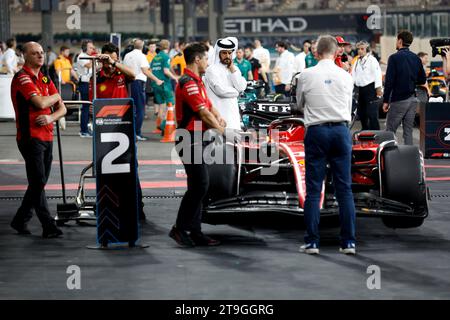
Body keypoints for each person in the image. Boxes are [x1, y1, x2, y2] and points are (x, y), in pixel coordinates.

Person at [296, 35, 356, 255]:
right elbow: (348, 106)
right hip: (340, 131)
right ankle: (348, 242)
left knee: (313, 190)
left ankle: (312, 242)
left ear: (316, 52)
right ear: (336, 52)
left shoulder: (306, 74)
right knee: (344, 190)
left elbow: (299, 104)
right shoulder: (345, 76)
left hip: (317, 131)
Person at [169, 42, 226, 247]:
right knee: (200, 185)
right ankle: (179, 228)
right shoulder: (187, 82)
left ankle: (195, 231)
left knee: (200, 186)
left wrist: (219, 118)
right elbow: (202, 112)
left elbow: (209, 107)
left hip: (197, 138)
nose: (208, 62)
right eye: (206, 59)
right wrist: (223, 132)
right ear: (197, 59)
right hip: (188, 138)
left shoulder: (197, 81)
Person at [10, 41, 67, 238]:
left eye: (42, 52)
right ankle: (48, 226)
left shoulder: (43, 78)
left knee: (38, 182)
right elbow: (41, 102)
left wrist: (51, 117)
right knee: (38, 181)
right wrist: (56, 96)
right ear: (25, 56)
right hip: (30, 137)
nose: (40, 56)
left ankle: (20, 219)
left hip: (47, 135)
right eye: (35, 53)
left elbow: (63, 108)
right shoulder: (22, 78)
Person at [92, 42, 148, 221]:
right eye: (106, 59)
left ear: (116, 58)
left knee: (131, 166)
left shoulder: (122, 73)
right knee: (106, 168)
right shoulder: (97, 77)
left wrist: (114, 63)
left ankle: (137, 207)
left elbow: (134, 74)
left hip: (125, 127)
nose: (108, 63)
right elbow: (92, 103)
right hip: (104, 128)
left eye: (112, 58)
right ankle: (109, 205)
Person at [382, 30, 426, 145]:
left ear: (400, 41)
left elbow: (389, 82)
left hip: (399, 100)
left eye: (397, 40)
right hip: (412, 100)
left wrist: (386, 100)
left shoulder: (394, 58)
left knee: (389, 131)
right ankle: (409, 158)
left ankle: (388, 158)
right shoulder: (416, 58)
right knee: (408, 132)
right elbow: (422, 80)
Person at [123, 38, 163, 141]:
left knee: (131, 108)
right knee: (140, 109)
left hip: (128, 83)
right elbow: (145, 70)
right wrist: (157, 80)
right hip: (138, 82)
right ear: (143, 45)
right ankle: (137, 133)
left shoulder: (127, 55)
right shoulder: (142, 56)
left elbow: (124, 69)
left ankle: (131, 132)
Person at [204, 37, 247, 131]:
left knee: (234, 143)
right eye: (224, 53)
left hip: (233, 115)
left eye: (229, 53)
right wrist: (237, 92)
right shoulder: (212, 70)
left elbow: (241, 87)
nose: (227, 56)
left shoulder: (235, 69)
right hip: (219, 116)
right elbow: (221, 91)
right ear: (218, 53)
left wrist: (232, 70)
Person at [351, 40, 383, 130]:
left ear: (367, 50)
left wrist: (378, 88)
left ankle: (376, 131)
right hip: (360, 89)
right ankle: (365, 130)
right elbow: (353, 74)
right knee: (362, 113)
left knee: (372, 113)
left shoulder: (372, 60)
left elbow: (377, 74)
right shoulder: (357, 61)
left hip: (370, 89)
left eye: (362, 49)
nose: (360, 51)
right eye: (358, 49)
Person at [150, 39, 179, 131]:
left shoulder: (155, 57)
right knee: (171, 105)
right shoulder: (166, 57)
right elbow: (166, 71)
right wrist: (175, 77)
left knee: (161, 105)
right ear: (168, 46)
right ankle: (164, 125)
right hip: (164, 84)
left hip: (155, 83)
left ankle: (159, 125)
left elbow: (151, 70)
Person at [75, 40, 96, 137]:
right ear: (85, 48)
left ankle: (86, 129)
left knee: (88, 107)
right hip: (84, 83)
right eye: (91, 47)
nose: (92, 49)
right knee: (86, 107)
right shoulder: (81, 56)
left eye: (93, 47)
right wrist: (97, 58)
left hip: (90, 82)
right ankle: (83, 130)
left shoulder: (89, 57)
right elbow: (89, 65)